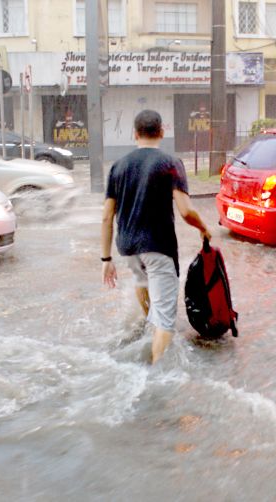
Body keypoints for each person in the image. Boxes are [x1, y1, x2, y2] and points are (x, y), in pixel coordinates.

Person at [101, 109, 211, 364]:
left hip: (128, 247)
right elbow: (186, 211)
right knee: (166, 321)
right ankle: (155, 377)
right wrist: (204, 229)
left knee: (142, 282)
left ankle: (150, 324)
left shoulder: (118, 166)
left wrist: (106, 258)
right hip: (158, 247)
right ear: (162, 132)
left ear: (135, 134)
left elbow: (107, 216)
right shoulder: (170, 163)